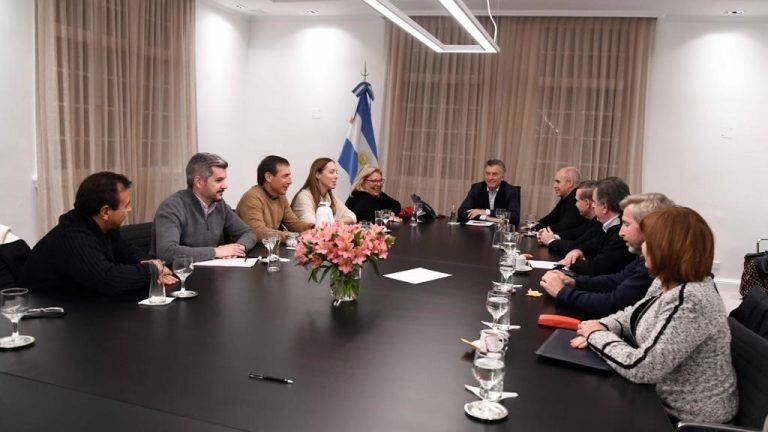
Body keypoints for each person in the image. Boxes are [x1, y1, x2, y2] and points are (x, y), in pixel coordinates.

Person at [572, 206, 738, 423]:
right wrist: (602, 325)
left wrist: (596, 336)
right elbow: (634, 315)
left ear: (667, 248)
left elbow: (643, 368)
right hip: (655, 400)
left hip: (686, 420)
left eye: (648, 241)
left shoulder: (691, 299)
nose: (643, 247)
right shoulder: (665, 281)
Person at [21, 172, 176, 295]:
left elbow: (129, 253)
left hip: (82, 302)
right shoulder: (73, 236)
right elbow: (108, 278)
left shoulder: (105, 227)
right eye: (126, 205)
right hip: (46, 312)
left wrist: (155, 267)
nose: (129, 209)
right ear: (105, 212)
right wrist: (152, 271)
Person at [540, 193, 674, 316]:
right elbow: (616, 280)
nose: (621, 232)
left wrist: (562, 292)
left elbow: (612, 303)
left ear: (650, 228)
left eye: (627, 225)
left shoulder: (656, 264)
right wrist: (574, 282)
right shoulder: (645, 257)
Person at [152, 153, 257, 263]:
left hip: (210, 271)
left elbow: (248, 233)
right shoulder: (172, 207)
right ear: (199, 182)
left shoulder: (220, 205)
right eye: (218, 180)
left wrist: (237, 249)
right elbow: (167, 252)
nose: (225, 186)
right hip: (177, 275)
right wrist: (216, 252)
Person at [558, 177, 634, 276]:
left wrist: (570, 262)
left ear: (604, 207)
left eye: (594, 202)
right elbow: (592, 245)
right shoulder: (607, 224)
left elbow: (596, 268)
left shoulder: (620, 232)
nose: (592, 206)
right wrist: (578, 251)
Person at [236, 155, 313, 241]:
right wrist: (294, 236)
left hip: (267, 250)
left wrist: (314, 228)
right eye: (285, 176)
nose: (290, 181)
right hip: (248, 252)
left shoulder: (281, 197)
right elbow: (258, 232)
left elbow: (293, 224)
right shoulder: (252, 197)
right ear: (269, 177)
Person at [538, 180, 602, 254]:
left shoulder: (599, 224)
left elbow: (576, 246)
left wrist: (550, 241)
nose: (575, 204)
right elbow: (574, 233)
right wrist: (553, 236)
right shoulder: (591, 221)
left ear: (587, 203)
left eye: (577, 201)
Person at [291, 158, 357, 224]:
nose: (336, 176)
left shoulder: (329, 197)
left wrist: (335, 223)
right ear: (318, 175)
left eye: (336, 172)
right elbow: (313, 224)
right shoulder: (303, 197)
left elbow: (353, 217)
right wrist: (335, 224)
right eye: (331, 172)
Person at [457, 159, 520, 226]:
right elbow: (462, 211)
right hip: (479, 232)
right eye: (487, 173)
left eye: (494, 174)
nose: (490, 178)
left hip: (500, 231)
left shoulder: (511, 191)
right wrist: (487, 217)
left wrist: (486, 212)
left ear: (502, 177)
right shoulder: (476, 188)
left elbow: (514, 216)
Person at [532, 166, 584, 232]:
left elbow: (562, 228)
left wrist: (536, 227)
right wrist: (535, 224)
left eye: (558, 182)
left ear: (569, 183)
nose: (554, 186)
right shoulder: (566, 197)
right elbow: (551, 218)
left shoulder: (576, 200)